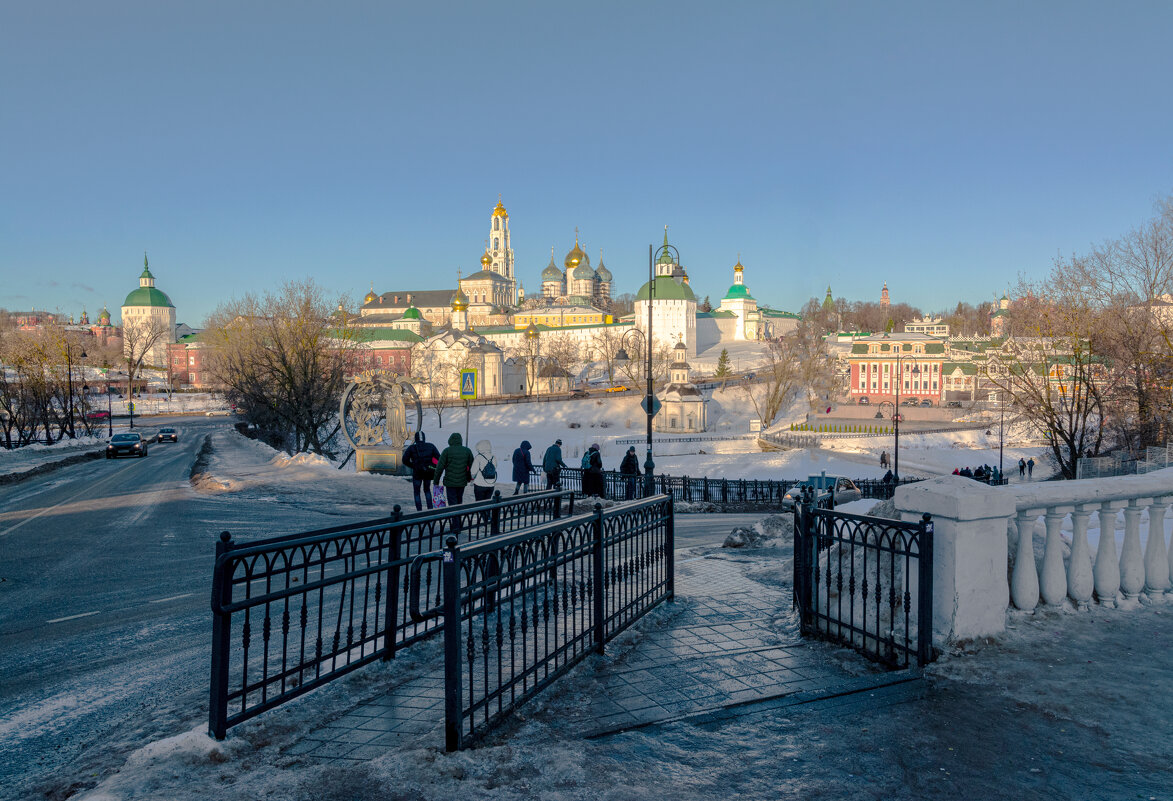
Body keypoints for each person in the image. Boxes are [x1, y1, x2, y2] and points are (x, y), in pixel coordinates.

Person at [402, 431, 440, 512]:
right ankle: (430, 509)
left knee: (416, 492)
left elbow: (404, 460)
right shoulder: (431, 446)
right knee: (427, 490)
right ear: (424, 438)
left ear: (416, 438)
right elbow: (439, 458)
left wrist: (413, 466)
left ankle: (419, 511)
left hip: (417, 473)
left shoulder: (412, 448)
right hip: (428, 472)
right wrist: (433, 466)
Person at [434, 432, 473, 511]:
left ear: (450, 440)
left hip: (450, 482)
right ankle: (458, 520)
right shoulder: (467, 451)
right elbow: (471, 466)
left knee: (452, 504)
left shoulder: (446, 451)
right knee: (459, 502)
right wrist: (468, 478)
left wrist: (436, 481)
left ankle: (455, 522)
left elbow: (439, 468)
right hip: (462, 481)